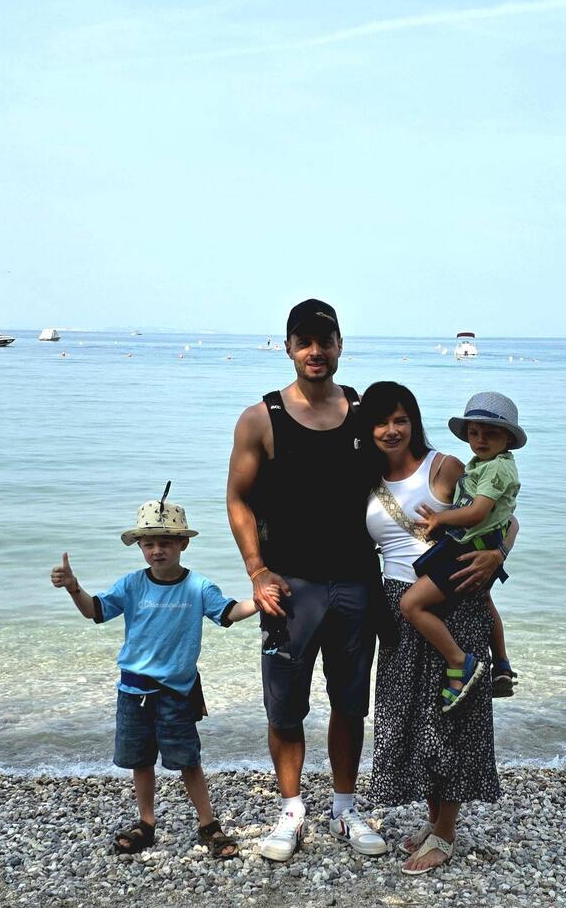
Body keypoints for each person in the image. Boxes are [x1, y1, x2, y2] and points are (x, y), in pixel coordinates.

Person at [225, 298, 388, 862]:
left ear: (340, 346)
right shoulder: (261, 418)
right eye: (305, 341)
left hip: (356, 583)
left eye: (325, 341)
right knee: (285, 707)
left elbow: (416, 473)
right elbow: (238, 498)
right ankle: (291, 809)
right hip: (290, 589)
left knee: (351, 703)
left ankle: (344, 807)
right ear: (288, 347)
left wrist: (492, 530)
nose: (315, 351)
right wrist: (257, 570)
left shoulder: (367, 413)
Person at [360, 381, 517, 874]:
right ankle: (434, 820)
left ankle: (446, 834)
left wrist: (498, 554)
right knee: (411, 719)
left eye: (401, 419)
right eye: (381, 421)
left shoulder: (445, 466)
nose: (391, 430)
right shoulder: (364, 477)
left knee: (452, 721)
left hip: (452, 603)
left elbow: (503, 519)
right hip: (398, 607)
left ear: (414, 422)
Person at [50, 491, 257, 859]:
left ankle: (208, 824)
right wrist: (73, 588)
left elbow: (228, 612)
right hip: (133, 691)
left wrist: (259, 601)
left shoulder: (198, 587)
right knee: (141, 761)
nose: (157, 551)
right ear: (140, 547)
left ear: (182, 544)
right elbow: (94, 611)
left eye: (166, 543)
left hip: (177, 692)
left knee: (188, 761)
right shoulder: (132, 585)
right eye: (149, 544)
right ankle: (146, 822)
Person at [398, 391, 525, 713]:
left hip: (470, 551)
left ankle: (459, 662)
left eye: (491, 433)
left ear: (508, 438)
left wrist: (440, 518)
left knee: (411, 604)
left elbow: (477, 513)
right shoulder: (485, 465)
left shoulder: (496, 469)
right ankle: (502, 663)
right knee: (484, 601)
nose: (480, 439)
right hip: (476, 546)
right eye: (474, 432)